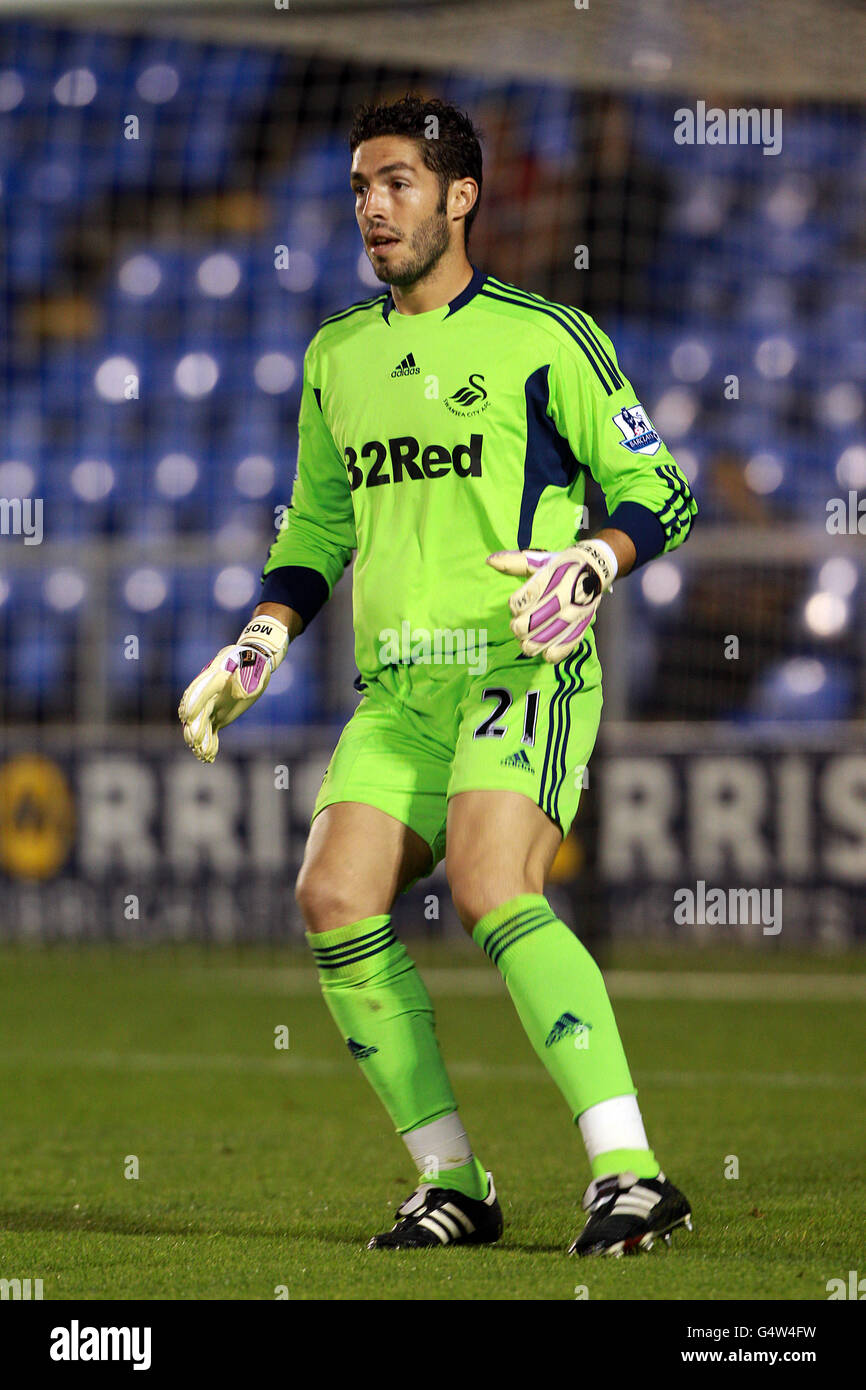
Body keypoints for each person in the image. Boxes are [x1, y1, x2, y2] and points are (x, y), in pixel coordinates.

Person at [179, 95, 697, 1257]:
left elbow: (658, 493)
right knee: (330, 899)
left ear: (461, 197)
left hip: (520, 668)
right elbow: (315, 533)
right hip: (399, 692)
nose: (373, 205)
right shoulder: (336, 357)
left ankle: (630, 1172)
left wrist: (593, 564)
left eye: (398, 182)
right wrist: (259, 639)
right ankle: (453, 1181)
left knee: (486, 884)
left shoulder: (543, 335)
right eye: (362, 185)